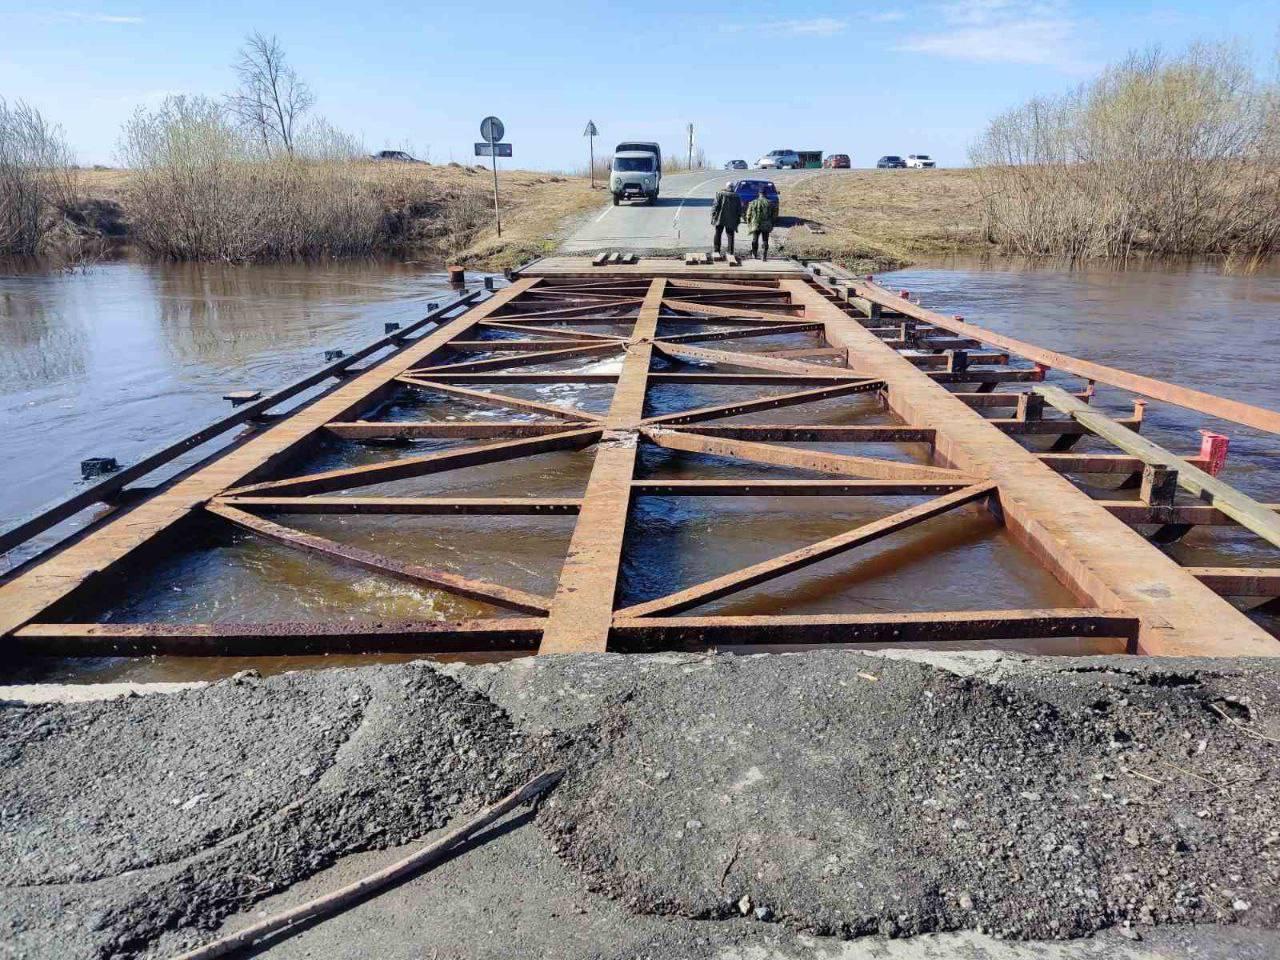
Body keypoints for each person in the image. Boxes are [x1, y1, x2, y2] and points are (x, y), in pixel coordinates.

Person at [710, 181, 742, 256]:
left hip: (720, 218)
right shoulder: (736, 196)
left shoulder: (720, 194)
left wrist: (713, 215)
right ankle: (730, 251)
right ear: (733, 187)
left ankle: (716, 250)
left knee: (718, 234)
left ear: (726, 187)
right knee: (730, 235)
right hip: (732, 219)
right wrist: (738, 218)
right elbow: (739, 209)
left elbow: (716, 205)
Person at [745, 186, 776, 260]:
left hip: (756, 224)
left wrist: (749, 223)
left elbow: (748, 215)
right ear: (765, 194)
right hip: (766, 224)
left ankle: (754, 254)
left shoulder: (753, 202)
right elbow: (774, 215)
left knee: (755, 239)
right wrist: (772, 223)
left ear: (759, 193)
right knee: (765, 239)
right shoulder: (770, 203)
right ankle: (764, 255)